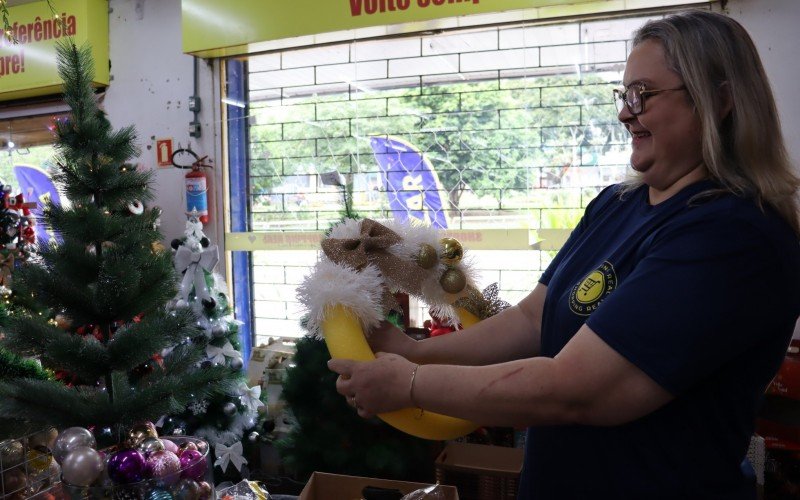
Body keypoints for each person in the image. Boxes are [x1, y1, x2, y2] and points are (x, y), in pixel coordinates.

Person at [327, 10, 800, 499]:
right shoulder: (617, 205)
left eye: (644, 94)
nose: (625, 112)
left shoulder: (734, 236)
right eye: (624, 95)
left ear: (720, 99)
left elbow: (575, 389)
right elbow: (534, 320)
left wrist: (409, 384)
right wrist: (416, 352)